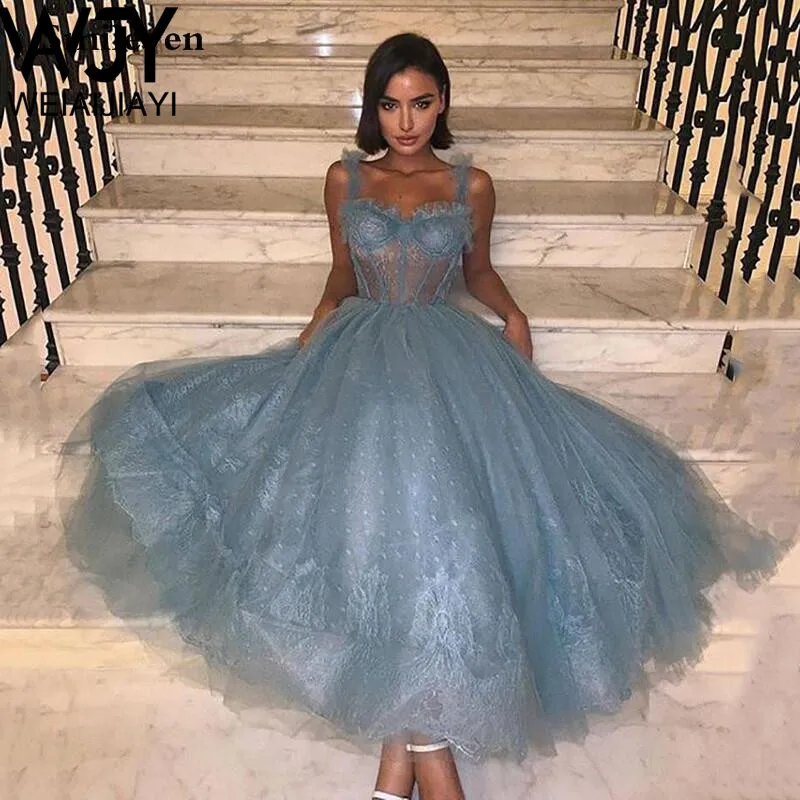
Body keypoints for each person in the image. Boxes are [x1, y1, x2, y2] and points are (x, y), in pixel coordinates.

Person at [59, 32, 789, 800]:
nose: (405, 121)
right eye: (390, 104)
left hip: (445, 351)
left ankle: (399, 769)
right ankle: (427, 764)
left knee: (431, 510)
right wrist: (314, 333)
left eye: (421, 103)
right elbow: (341, 274)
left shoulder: (471, 185)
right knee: (387, 511)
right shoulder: (346, 178)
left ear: (442, 104)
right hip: (360, 348)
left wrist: (514, 315)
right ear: (374, 109)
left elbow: (477, 270)